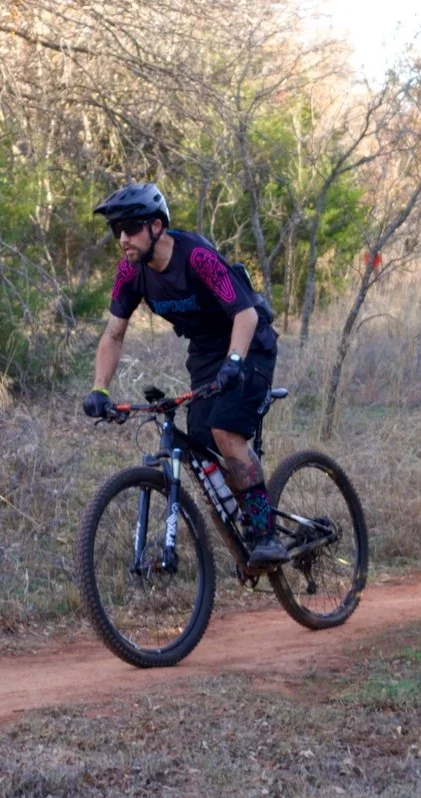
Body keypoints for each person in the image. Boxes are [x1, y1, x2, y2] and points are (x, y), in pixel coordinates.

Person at [81, 182, 287, 565]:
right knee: (201, 441)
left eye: (131, 228)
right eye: (117, 231)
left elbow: (246, 313)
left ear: (156, 227)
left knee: (226, 430)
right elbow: (113, 333)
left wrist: (236, 362)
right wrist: (100, 390)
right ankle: (242, 510)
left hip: (250, 343)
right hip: (208, 353)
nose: (123, 239)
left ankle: (265, 533)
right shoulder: (131, 271)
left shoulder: (196, 257)